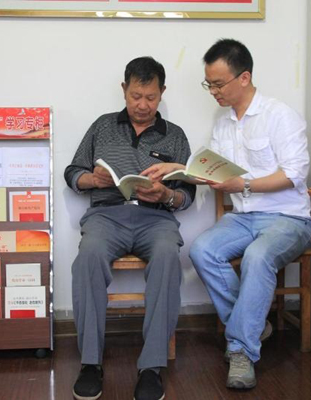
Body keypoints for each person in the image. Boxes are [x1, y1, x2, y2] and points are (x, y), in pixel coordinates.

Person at [143, 39, 311, 390]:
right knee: (202, 250)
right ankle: (252, 326)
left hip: (288, 217)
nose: (213, 92)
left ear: (244, 77)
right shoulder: (223, 123)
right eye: (209, 84)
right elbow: (214, 173)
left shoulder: (280, 116)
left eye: (218, 84)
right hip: (243, 217)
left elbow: (295, 174)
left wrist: (244, 184)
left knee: (258, 256)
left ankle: (240, 350)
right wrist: (177, 170)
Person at [64, 56, 196, 400]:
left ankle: (151, 367)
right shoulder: (102, 126)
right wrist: (92, 179)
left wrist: (167, 194)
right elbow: (72, 172)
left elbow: (187, 194)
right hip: (107, 216)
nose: (142, 105)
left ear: (162, 92)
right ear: (124, 89)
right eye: (136, 96)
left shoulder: (175, 135)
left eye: (151, 97)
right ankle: (90, 363)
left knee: (168, 258)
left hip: (156, 219)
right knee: (88, 257)